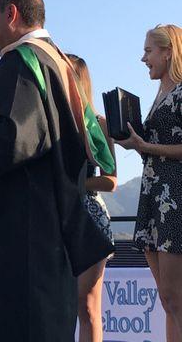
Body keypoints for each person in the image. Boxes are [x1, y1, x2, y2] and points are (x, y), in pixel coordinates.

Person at [0, 0, 114, 341]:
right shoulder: (58, 62)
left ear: (11, 13)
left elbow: (14, 139)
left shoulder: (22, 61)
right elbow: (29, 129)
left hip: (20, 240)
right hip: (48, 232)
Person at [116, 24, 182, 341]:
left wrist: (146, 147)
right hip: (154, 195)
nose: (143, 58)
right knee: (168, 301)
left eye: (148, 51)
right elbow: (150, 149)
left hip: (175, 198)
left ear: (168, 52)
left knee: (174, 297)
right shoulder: (160, 93)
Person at [68, 54, 117, 342]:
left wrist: (75, 184)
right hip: (59, 217)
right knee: (64, 305)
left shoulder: (100, 124)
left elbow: (110, 180)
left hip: (91, 218)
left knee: (87, 307)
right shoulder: (54, 122)